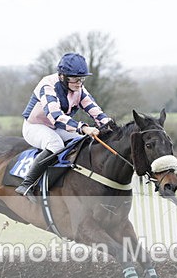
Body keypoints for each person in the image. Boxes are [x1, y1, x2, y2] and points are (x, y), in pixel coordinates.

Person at [17, 52, 113, 200]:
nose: (79, 83)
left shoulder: (79, 88)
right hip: (35, 126)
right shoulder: (47, 85)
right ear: (62, 76)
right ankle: (27, 184)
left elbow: (94, 110)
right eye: (75, 79)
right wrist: (83, 128)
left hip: (57, 127)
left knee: (83, 141)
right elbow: (56, 117)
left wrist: (109, 125)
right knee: (56, 145)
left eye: (81, 79)